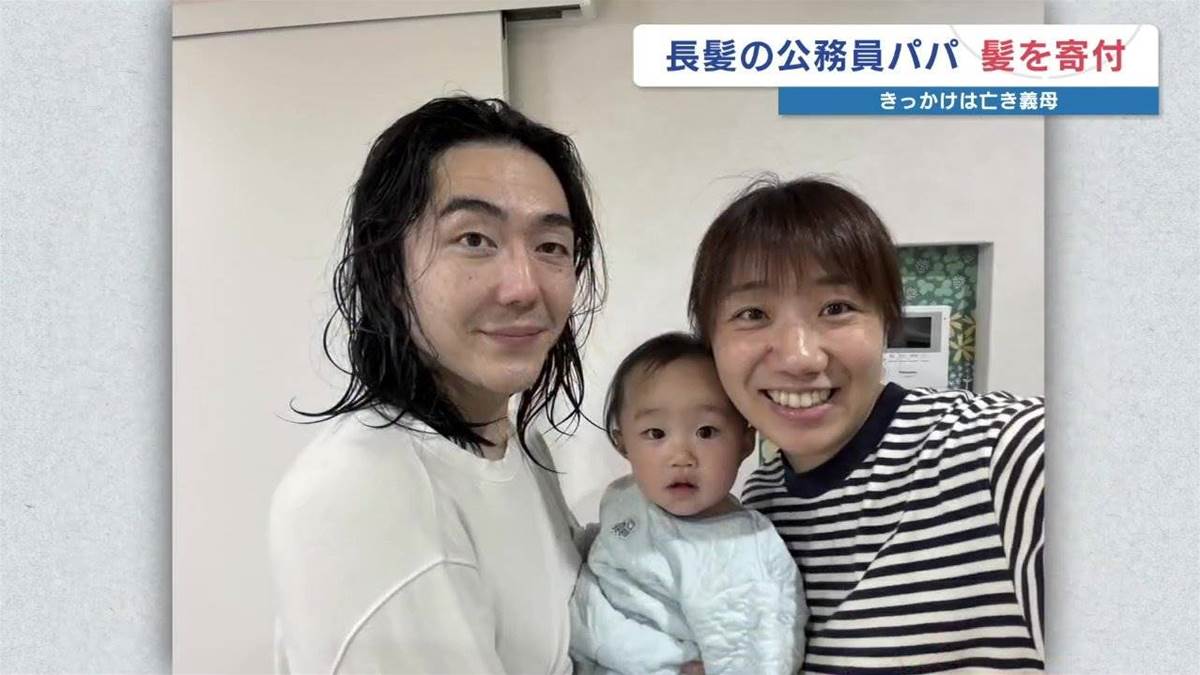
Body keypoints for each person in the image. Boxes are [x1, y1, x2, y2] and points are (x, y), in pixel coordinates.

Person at [268, 96, 603, 674]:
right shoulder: (364, 494)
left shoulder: (515, 444)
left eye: (550, 246)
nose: (524, 286)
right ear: (388, 271)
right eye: (474, 239)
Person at [687, 176, 1046, 672]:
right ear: (710, 344)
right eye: (752, 313)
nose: (799, 357)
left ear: (887, 322)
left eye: (836, 308)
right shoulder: (761, 502)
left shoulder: (1004, 455)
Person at [570, 332, 806, 675]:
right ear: (623, 444)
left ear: (745, 441)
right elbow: (602, 553)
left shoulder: (744, 550)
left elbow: (761, 649)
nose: (681, 457)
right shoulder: (625, 498)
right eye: (656, 434)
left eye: (706, 432)